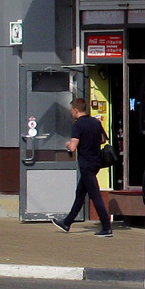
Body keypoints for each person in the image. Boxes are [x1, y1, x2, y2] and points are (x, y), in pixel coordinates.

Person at [51, 98, 112, 237]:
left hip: (86, 164)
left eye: (72, 110)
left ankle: (106, 227)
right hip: (96, 162)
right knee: (80, 194)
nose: (71, 112)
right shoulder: (95, 122)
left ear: (76, 110)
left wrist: (67, 144)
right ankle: (67, 223)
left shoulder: (78, 125)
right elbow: (102, 139)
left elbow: (72, 147)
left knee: (95, 195)